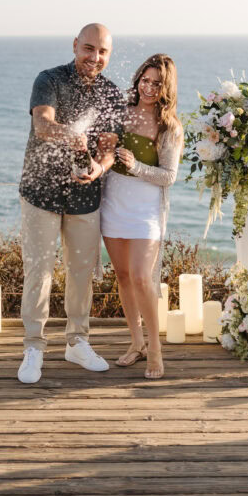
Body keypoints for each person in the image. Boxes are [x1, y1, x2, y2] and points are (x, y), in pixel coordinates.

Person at [17, 23, 125, 384]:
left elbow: (109, 148)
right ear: (76, 45)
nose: (95, 57)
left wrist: (99, 167)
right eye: (89, 48)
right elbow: (43, 126)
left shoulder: (112, 93)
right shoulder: (48, 79)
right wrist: (75, 135)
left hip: (85, 197)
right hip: (41, 193)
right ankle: (34, 346)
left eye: (103, 51)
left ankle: (77, 342)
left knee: (82, 275)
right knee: (39, 271)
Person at [100, 54, 183, 380]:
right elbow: (103, 151)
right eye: (144, 80)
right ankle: (136, 343)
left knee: (141, 277)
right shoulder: (121, 113)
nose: (148, 88)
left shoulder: (170, 127)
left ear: (167, 88)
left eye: (156, 83)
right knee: (122, 276)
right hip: (113, 202)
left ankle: (156, 348)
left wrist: (135, 165)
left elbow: (169, 176)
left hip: (146, 208)